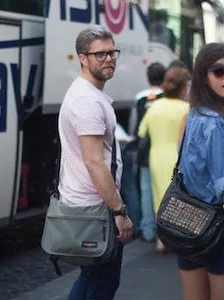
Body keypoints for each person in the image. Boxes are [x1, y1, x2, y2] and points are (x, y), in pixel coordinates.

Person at [58, 26, 133, 300]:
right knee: (99, 283)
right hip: (94, 208)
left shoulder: (89, 94)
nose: (109, 58)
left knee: (94, 278)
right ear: (82, 58)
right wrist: (118, 211)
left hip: (93, 203)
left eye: (112, 52)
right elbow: (94, 162)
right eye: (100, 54)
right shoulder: (87, 101)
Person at [176, 43, 224, 300]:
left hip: (189, 226)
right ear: (203, 77)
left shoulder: (195, 115)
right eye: (218, 71)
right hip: (220, 230)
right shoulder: (217, 123)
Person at [138, 66, 190, 252]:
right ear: (183, 88)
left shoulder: (155, 107)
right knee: (180, 197)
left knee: (158, 196)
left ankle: (161, 239)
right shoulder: (186, 108)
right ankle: (179, 238)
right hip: (178, 156)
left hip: (156, 156)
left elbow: (141, 131)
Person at [134, 62, 166, 242]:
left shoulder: (140, 98)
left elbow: (135, 127)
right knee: (164, 190)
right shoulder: (167, 98)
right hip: (164, 151)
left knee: (146, 190)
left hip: (145, 151)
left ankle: (147, 229)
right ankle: (164, 229)